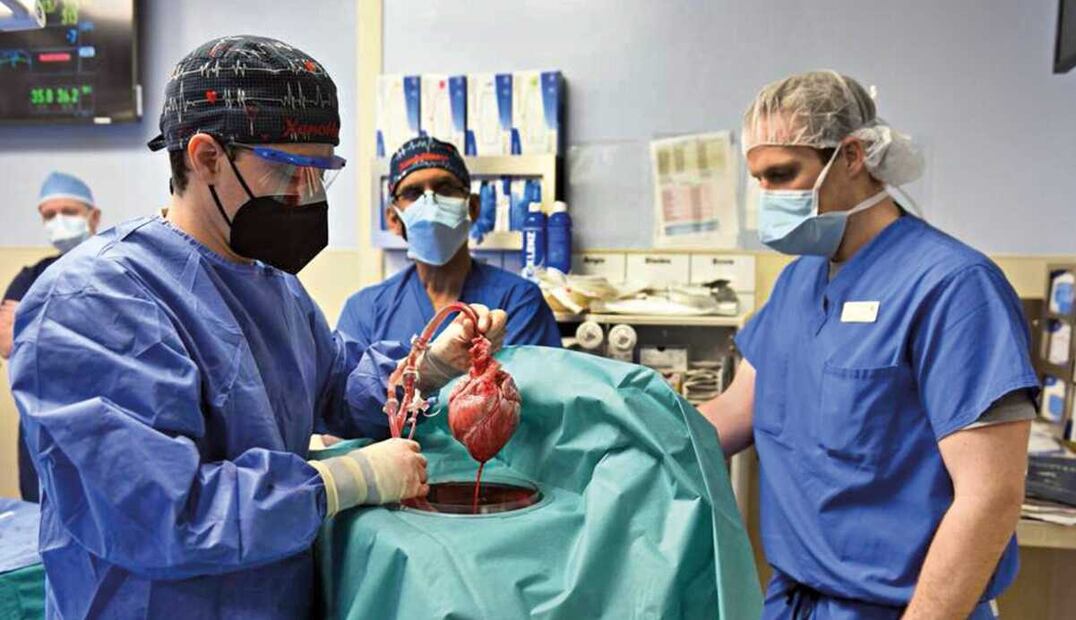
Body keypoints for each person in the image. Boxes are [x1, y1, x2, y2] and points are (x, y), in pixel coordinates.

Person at [8, 35, 505, 619]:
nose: (307, 194)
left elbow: (336, 385)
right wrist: (345, 481)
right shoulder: (92, 303)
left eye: (322, 173)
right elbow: (163, 513)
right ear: (206, 157)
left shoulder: (273, 285)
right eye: (290, 169)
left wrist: (428, 367)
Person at [699, 71, 1036, 619]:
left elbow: (991, 497)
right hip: (795, 601)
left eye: (783, 175)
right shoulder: (798, 284)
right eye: (758, 180)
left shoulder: (952, 287)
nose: (768, 199)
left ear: (853, 156)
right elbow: (724, 420)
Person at [337, 136, 560, 350]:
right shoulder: (365, 311)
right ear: (394, 219)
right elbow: (352, 387)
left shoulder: (518, 301)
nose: (431, 203)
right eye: (413, 193)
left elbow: (528, 384)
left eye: (444, 188)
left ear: (472, 207)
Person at [1, 171, 101, 503]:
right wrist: (78, 331)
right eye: (49, 215)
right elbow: (6, 342)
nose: (58, 221)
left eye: (68, 212)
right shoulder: (32, 275)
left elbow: (126, 343)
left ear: (94, 216)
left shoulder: (115, 268)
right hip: (41, 426)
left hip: (102, 422)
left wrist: (33, 328)